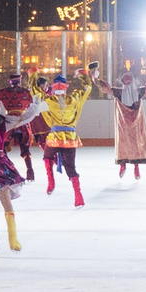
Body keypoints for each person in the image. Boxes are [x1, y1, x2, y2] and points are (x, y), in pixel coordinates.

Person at [0, 91, 49, 252]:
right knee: (5, 198)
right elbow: (26, 117)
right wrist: (35, 104)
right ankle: (13, 239)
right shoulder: (3, 122)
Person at [33, 71, 97, 206]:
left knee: (47, 156)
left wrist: (33, 76)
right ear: (66, 87)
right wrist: (83, 75)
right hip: (70, 138)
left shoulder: (49, 100)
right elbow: (87, 89)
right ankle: (78, 196)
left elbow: (36, 96)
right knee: (71, 168)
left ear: (54, 88)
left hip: (55, 137)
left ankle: (51, 182)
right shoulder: (74, 99)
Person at [111, 72, 146, 179]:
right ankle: (122, 165)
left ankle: (136, 167)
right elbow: (105, 88)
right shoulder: (119, 92)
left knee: (136, 145)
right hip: (123, 126)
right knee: (123, 144)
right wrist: (94, 77)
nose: (127, 83)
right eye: (125, 81)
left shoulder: (139, 92)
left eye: (129, 81)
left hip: (136, 125)